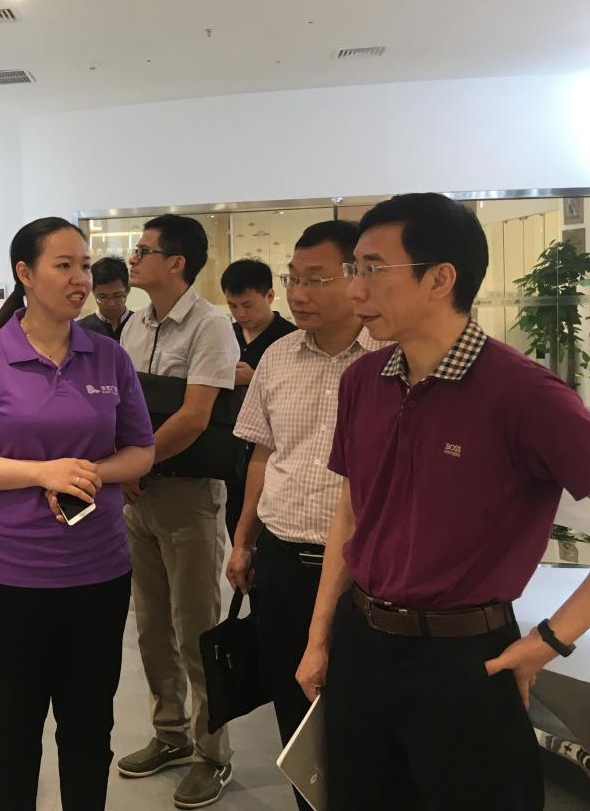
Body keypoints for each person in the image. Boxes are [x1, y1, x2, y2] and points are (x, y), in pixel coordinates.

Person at [294, 193, 590, 811]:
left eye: (372, 269)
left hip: (465, 659)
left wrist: (550, 640)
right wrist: (319, 638)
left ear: (440, 278)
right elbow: (351, 513)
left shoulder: (524, 394)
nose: (355, 289)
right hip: (362, 642)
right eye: (353, 270)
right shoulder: (363, 380)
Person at [0, 217, 156, 811]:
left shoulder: (108, 357)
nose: (80, 278)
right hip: (10, 578)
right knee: (14, 725)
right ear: (25, 274)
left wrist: (90, 472)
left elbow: (141, 450)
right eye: (64, 265)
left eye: (84, 265)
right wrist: (42, 473)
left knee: (89, 726)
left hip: (99, 574)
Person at [225, 222, 382, 811]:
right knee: (294, 707)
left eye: (315, 279)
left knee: (362, 710)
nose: (298, 294)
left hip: (365, 569)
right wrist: (244, 539)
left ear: (357, 278)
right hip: (284, 561)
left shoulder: (390, 360)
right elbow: (262, 454)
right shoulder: (277, 357)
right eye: (293, 279)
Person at [117, 214, 240, 810]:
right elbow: (122, 406)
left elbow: (194, 418)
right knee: (150, 627)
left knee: (197, 629)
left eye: (144, 250)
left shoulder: (211, 325)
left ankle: (213, 753)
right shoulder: (133, 324)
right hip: (137, 497)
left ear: (176, 262)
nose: (133, 258)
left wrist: (134, 465)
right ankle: (169, 733)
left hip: (188, 497)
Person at [220, 258, 297, 543]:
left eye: (248, 305)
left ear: (269, 295)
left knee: (266, 536)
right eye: (233, 306)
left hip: (271, 453)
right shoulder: (225, 335)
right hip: (230, 451)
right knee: (234, 526)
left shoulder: (290, 338)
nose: (241, 313)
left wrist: (255, 379)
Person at [79, 255, 134, 341]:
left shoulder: (142, 325)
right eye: (102, 297)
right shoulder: (80, 329)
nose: (111, 303)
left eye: (117, 296)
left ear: (128, 289)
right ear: (93, 292)